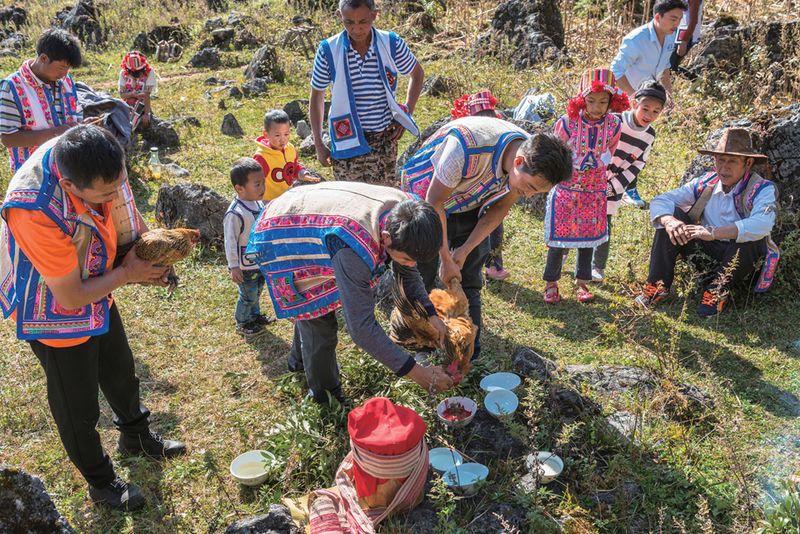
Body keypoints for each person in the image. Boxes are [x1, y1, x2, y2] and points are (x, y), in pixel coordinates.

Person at [0, 125, 186, 511]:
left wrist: (149, 253)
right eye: (105, 193)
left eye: (119, 183)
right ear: (69, 185)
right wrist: (128, 273)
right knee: (77, 404)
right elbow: (69, 295)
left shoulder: (92, 156)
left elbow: (121, 216)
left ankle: (135, 436)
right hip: (51, 304)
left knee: (120, 369)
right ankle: (100, 481)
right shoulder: (34, 208)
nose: (115, 195)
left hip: (93, 278)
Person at [247, 181, 453, 403]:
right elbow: (361, 328)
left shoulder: (408, 216)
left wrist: (431, 315)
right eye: (406, 259)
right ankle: (326, 398)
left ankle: (298, 362)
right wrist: (418, 373)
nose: (411, 265)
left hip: (317, 210)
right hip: (283, 230)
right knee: (317, 318)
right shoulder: (353, 249)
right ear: (385, 237)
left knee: (313, 318)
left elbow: (408, 272)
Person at [401, 115, 573, 357]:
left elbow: (498, 209)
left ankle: (470, 351)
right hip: (427, 194)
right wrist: (445, 258)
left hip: (471, 197)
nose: (528, 195)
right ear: (518, 161)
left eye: (537, 192)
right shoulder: (466, 147)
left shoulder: (525, 156)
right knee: (424, 270)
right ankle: (417, 344)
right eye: (531, 188)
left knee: (469, 272)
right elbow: (435, 202)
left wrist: (463, 250)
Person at [635, 127, 778, 317]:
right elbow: (662, 200)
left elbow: (763, 223)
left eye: (732, 161)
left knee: (753, 238)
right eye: (720, 160)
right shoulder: (705, 182)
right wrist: (669, 221)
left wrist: (712, 232)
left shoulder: (762, 188)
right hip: (704, 253)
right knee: (672, 215)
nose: (724, 167)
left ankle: (716, 292)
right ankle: (658, 285)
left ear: (748, 163)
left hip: (739, 260)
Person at [309, 0, 424, 185]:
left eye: (363, 22)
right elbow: (317, 97)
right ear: (339, 17)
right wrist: (319, 143)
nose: (356, 29)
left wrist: (405, 113)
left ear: (374, 15)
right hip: (346, 140)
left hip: (384, 138)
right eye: (349, 22)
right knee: (350, 198)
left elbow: (417, 73)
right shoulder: (329, 50)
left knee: (384, 198)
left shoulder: (390, 44)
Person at [544, 68, 629, 303]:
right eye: (591, 101)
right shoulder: (567, 122)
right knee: (559, 237)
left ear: (612, 101)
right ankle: (551, 282)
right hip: (567, 188)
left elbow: (610, 150)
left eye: (603, 101)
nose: (597, 107)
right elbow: (557, 151)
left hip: (595, 190)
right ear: (581, 99)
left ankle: (582, 282)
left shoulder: (613, 124)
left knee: (588, 237)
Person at [592, 79, 666, 282]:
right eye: (646, 108)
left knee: (604, 223)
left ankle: (597, 266)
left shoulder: (649, 135)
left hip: (614, 183)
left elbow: (637, 165)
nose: (649, 115)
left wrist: (613, 187)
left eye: (655, 112)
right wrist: (594, 177)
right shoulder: (615, 120)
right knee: (578, 216)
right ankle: (563, 253)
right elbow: (597, 145)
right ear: (634, 103)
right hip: (593, 176)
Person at [0, 29, 97, 172]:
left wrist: (81, 126)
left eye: (68, 68)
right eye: (61, 67)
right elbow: (9, 139)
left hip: (68, 166)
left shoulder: (66, 81)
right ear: (44, 58)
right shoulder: (12, 87)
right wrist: (55, 133)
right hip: (33, 171)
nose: (64, 73)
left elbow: (73, 115)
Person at [224, 158, 273, 335]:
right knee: (248, 294)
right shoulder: (235, 213)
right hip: (244, 265)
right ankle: (243, 322)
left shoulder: (258, 203)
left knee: (258, 289)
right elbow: (230, 241)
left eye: (263, 183)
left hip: (258, 260)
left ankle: (255, 315)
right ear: (239, 188)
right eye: (257, 185)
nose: (262, 188)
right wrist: (234, 266)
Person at [610, 0, 687, 109]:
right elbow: (616, 69)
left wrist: (668, 96)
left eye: (680, 19)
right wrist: (633, 96)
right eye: (673, 19)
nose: (677, 24)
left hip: (648, 102)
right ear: (657, 17)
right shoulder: (636, 39)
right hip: (624, 101)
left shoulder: (670, 36)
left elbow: (664, 70)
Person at [252, 109, 319, 201]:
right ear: (266, 134)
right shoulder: (262, 157)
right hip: (268, 201)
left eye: (286, 134)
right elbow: (254, 182)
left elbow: (293, 168)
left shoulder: (290, 149)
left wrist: (303, 174)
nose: (283, 139)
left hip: (287, 197)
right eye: (277, 135)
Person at [118, 50, 158, 131]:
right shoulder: (123, 73)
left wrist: (147, 114)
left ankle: (130, 128)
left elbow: (147, 94)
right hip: (127, 102)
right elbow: (122, 95)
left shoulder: (149, 72)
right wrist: (133, 94)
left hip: (142, 102)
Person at [670, 0, 704, 79]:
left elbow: (693, 21)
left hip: (687, 35)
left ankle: (695, 80)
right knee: (670, 66)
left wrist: (684, 41)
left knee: (670, 66)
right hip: (679, 34)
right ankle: (696, 80)